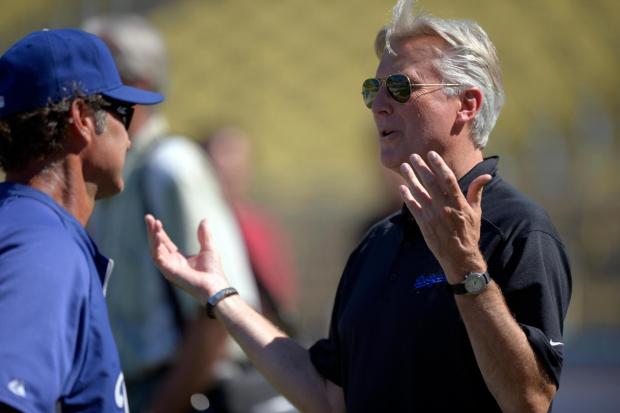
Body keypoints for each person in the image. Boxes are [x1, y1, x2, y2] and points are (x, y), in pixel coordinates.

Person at [145, 0, 572, 411]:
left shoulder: (518, 229)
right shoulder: (378, 242)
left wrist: (465, 270)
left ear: (467, 105)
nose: (379, 105)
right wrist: (221, 295)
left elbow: (529, 400)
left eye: (401, 87)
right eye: (374, 89)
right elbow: (330, 397)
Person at [83, 15, 260, 413]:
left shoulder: (171, 168)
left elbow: (222, 308)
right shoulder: (119, 172)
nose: (82, 95)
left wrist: (161, 407)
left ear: (138, 88)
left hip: (184, 396)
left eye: (96, 81)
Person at [0, 29, 163, 412]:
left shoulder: (24, 227)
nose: (129, 137)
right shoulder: (44, 250)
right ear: (82, 118)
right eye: (122, 111)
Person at [202, 127, 299, 334]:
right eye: (223, 159)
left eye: (239, 161)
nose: (231, 170)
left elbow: (282, 294)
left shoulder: (260, 227)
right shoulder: (200, 228)